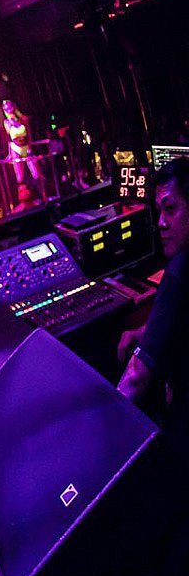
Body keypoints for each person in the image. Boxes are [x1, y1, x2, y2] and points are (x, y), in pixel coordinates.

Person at [118, 158, 189, 428]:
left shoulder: (180, 270)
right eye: (159, 211)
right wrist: (147, 331)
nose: (161, 223)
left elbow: (136, 379)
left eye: (170, 209)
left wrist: (106, 429)